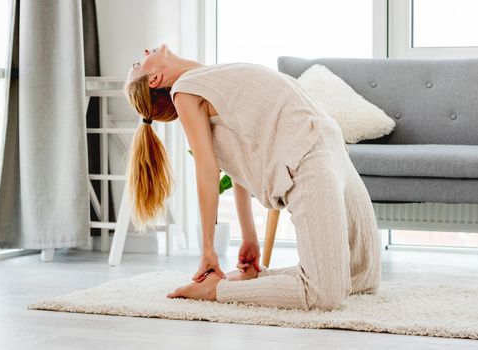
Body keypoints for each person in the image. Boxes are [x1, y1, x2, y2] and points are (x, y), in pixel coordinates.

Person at [123, 43, 381, 311]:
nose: (143, 53)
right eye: (137, 66)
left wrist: (249, 236)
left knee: (363, 275)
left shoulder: (210, 76)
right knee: (324, 295)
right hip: (308, 156)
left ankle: (258, 280)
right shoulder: (184, 92)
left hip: (334, 149)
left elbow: (237, 160)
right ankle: (218, 290)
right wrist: (208, 251)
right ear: (154, 79)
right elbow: (208, 171)